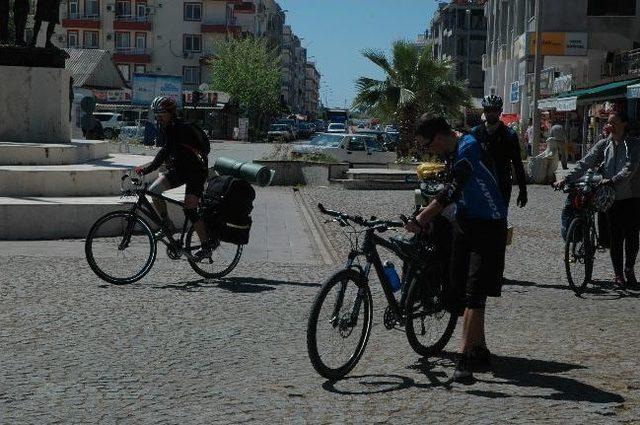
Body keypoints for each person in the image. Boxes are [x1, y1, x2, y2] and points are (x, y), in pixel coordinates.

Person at [405, 115, 508, 383]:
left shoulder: (468, 148)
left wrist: (422, 218)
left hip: (489, 223)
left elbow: (451, 190)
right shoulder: (451, 150)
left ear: (438, 137)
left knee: (475, 291)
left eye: (427, 146)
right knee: (459, 288)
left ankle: (464, 360)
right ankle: (479, 348)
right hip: (465, 220)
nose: (428, 151)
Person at [554, 111, 640, 286]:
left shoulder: (633, 145)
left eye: (614, 123)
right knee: (615, 237)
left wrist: (612, 180)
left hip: (632, 197)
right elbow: (585, 162)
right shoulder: (604, 144)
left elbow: (630, 168)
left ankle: (629, 269)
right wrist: (567, 178)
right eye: (608, 123)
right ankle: (618, 275)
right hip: (610, 197)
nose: (610, 126)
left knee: (631, 236)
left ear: (624, 125)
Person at [134, 96, 212, 261]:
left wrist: (147, 169)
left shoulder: (180, 129)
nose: (158, 117)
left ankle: (206, 246)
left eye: (161, 113)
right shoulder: (166, 128)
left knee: (190, 209)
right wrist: (148, 169)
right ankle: (166, 225)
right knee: (154, 191)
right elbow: (166, 151)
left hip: (196, 173)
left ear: (170, 113)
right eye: (156, 113)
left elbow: (164, 152)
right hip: (180, 170)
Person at [471, 95, 527, 208]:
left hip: (501, 184)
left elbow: (517, 164)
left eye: (494, 110)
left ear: (500, 111)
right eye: (488, 110)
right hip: (480, 183)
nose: (491, 113)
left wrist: (523, 191)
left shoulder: (509, 135)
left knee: (499, 220)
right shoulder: (475, 133)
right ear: (484, 111)